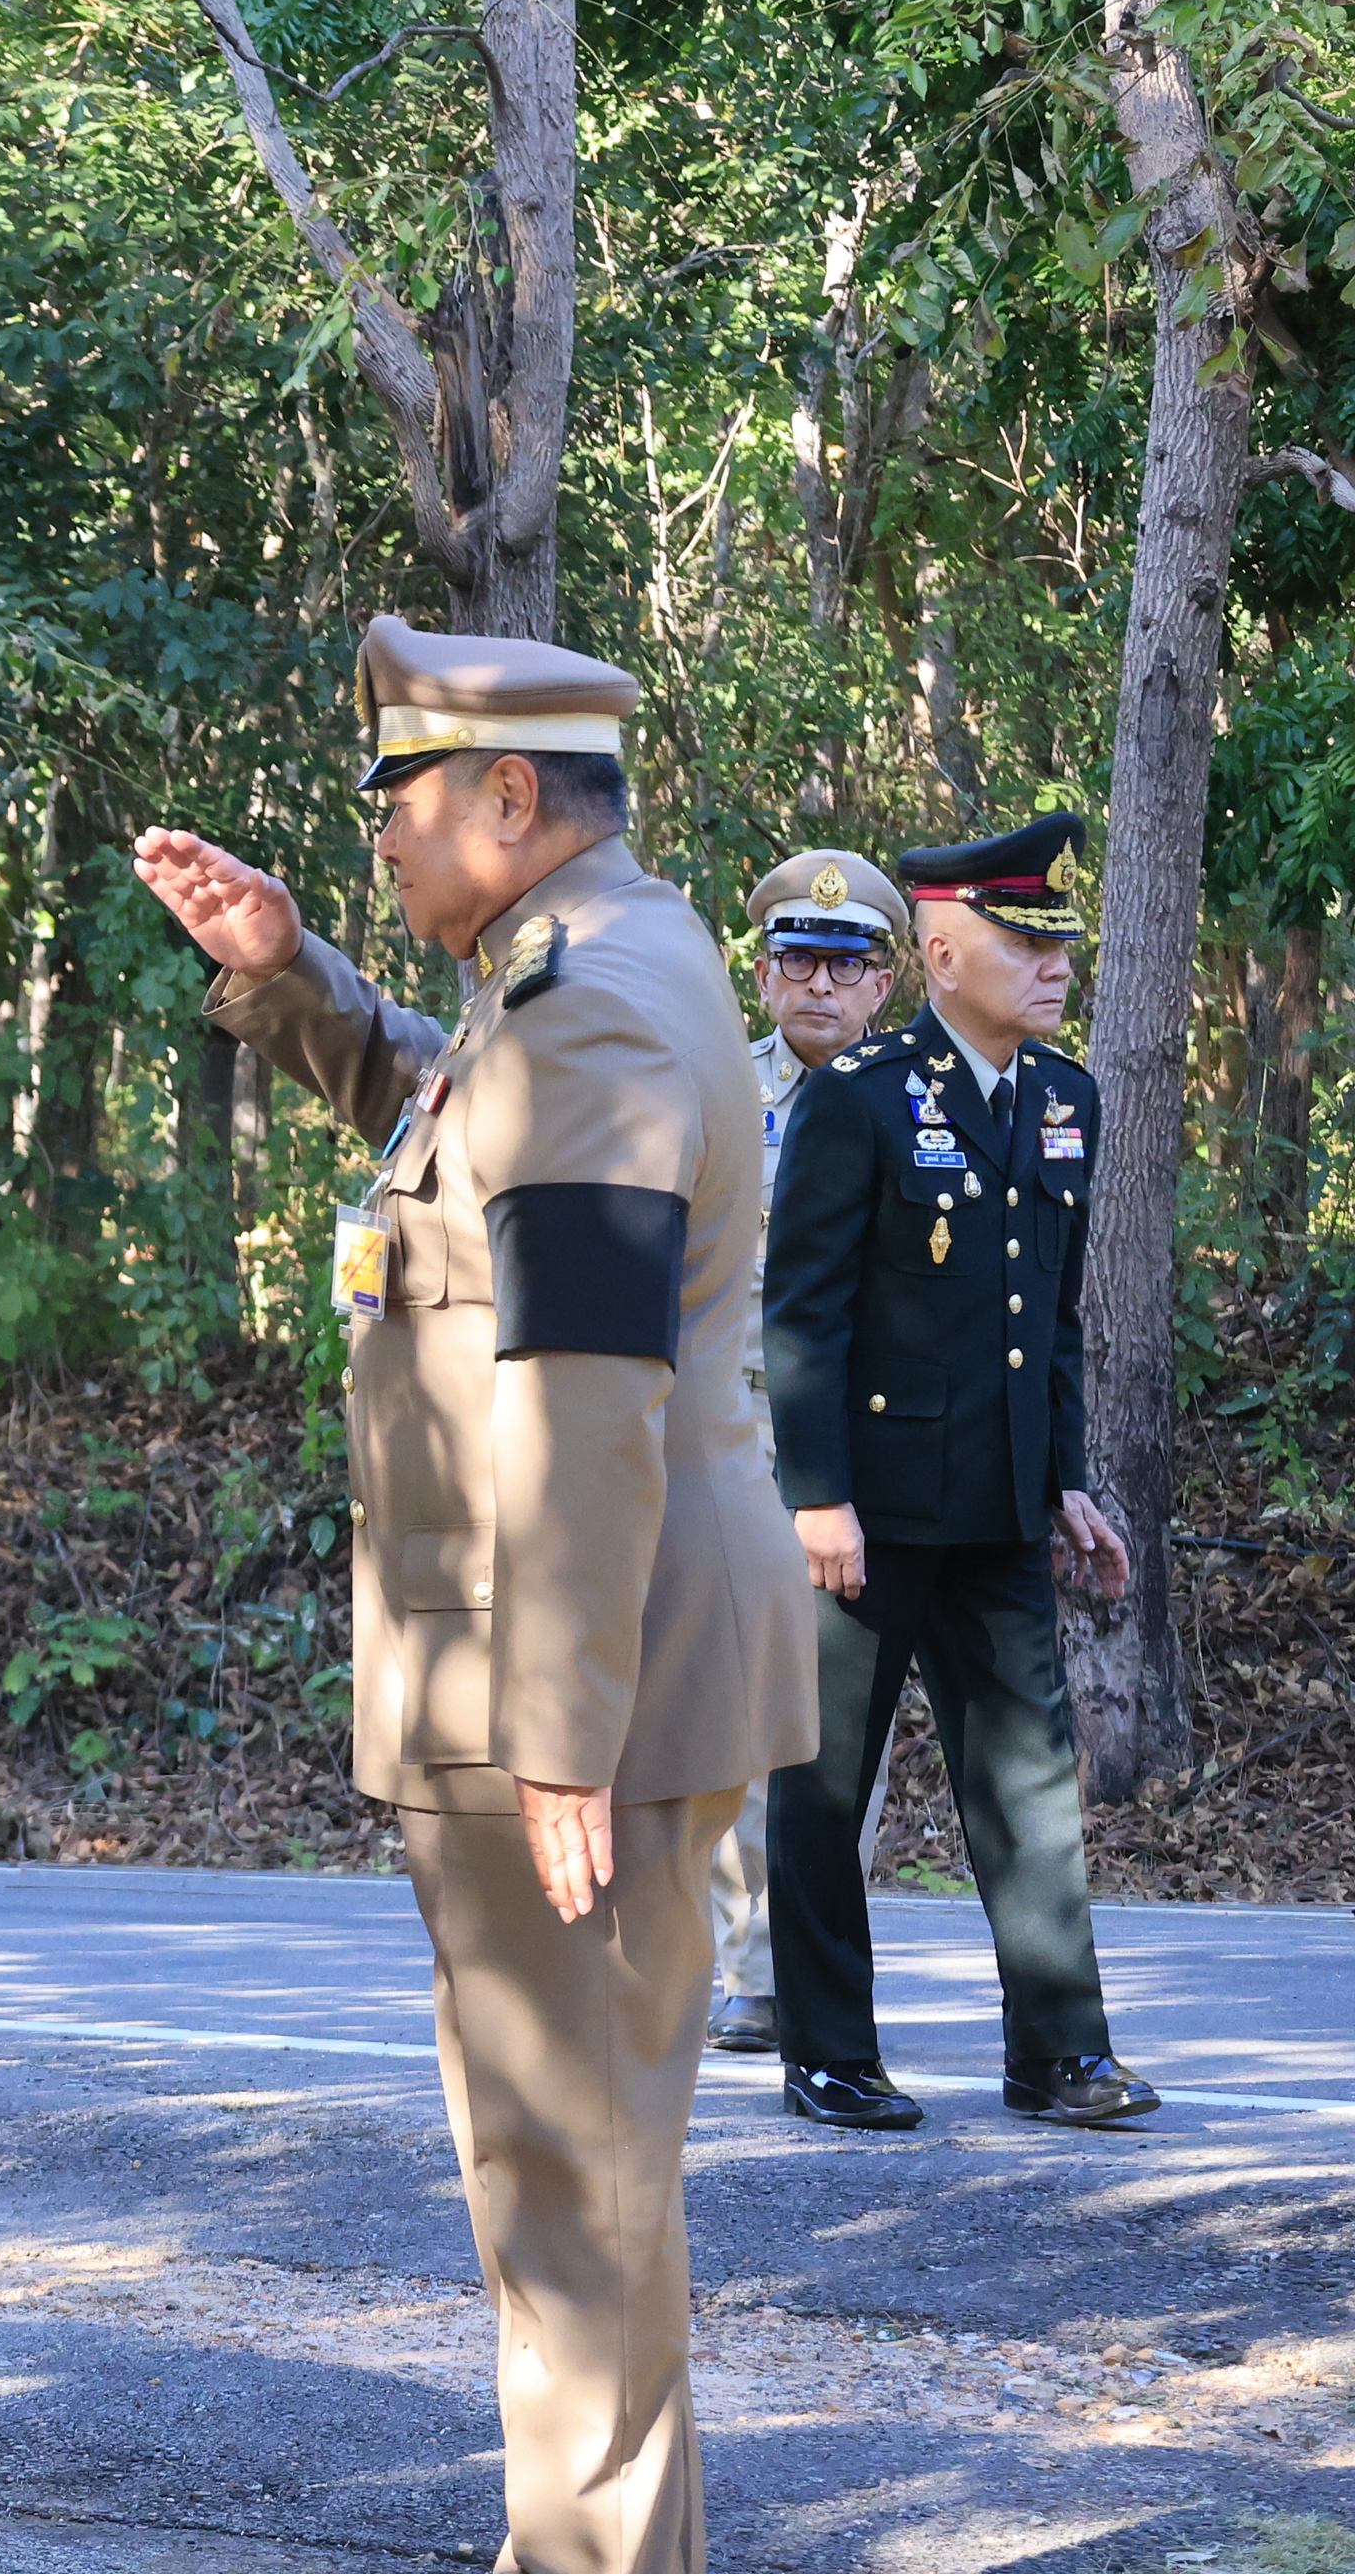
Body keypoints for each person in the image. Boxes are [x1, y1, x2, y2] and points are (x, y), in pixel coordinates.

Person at [133, 616, 812, 2574]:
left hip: (581, 1691)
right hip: (606, 1668)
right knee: (573, 2176)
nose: (382, 847)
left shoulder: (589, 1001)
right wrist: (297, 986)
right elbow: (465, 1130)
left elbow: (588, 1393)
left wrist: (556, 1731)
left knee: (570, 2190)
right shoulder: (597, 965)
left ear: (513, 797)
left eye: (403, 808)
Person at [763, 809, 1153, 2132]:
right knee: (823, 1782)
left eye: (1061, 944)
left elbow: (1049, 1320)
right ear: (940, 954)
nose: (1056, 964)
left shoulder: (1065, 1104)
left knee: (1032, 1778)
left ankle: (1058, 2053)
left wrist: (1069, 1478)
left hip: (996, 1510)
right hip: (863, 1517)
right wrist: (814, 1496)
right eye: (1023, 941)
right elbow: (801, 1309)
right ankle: (829, 2052)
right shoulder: (857, 1099)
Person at [703, 849, 912, 2058]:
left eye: (843, 964)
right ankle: (756, 1968)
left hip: (868, 1454)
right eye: (797, 959)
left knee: (842, 1730)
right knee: (742, 1716)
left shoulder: (923, 1102)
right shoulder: (714, 1093)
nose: (818, 985)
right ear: (767, 972)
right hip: (734, 1442)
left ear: (882, 981)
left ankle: (810, 1949)